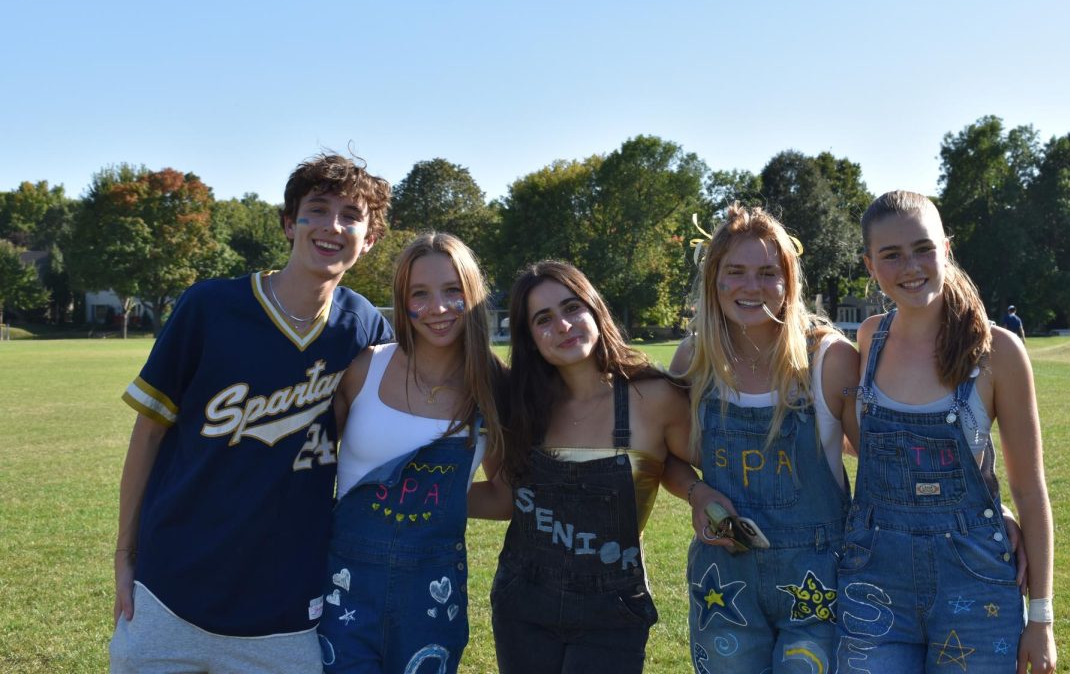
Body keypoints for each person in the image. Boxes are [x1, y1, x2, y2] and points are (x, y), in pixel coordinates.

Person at [110, 153, 393, 674]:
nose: (333, 226)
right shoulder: (210, 307)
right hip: (170, 590)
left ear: (369, 239)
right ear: (289, 223)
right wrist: (125, 554)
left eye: (351, 216)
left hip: (287, 608)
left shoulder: (364, 328)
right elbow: (148, 433)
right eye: (318, 209)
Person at [838, 190, 1056, 673]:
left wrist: (1041, 616)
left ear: (946, 248)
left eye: (923, 248)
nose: (910, 266)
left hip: (977, 584)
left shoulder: (998, 350)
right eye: (891, 255)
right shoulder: (868, 338)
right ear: (870, 265)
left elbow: (1029, 487)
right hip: (874, 579)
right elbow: (867, 446)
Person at [477, 260, 696, 674]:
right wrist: (421, 496)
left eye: (572, 308)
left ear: (595, 309)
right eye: (543, 319)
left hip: (612, 612)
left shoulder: (655, 397)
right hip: (522, 604)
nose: (563, 325)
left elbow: (693, 463)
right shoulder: (520, 410)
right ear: (530, 339)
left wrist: (698, 492)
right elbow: (505, 497)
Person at [669, 203, 861, 673]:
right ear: (714, 279)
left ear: (788, 282)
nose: (750, 287)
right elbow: (662, 457)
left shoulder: (827, 358)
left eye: (766, 273)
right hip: (724, 583)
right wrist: (697, 493)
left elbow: (882, 460)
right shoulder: (694, 359)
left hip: (818, 581)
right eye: (735, 271)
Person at [316, 232, 506, 673]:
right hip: (344, 582)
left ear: (473, 294)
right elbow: (313, 470)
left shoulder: (496, 388)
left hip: (433, 590)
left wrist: (425, 497)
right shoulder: (365, 367)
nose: (437, 308)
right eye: (419, 294)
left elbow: (504, 495)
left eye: (452, 291)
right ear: (402, 303)